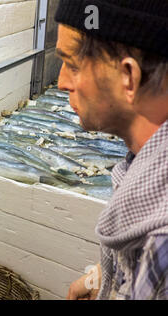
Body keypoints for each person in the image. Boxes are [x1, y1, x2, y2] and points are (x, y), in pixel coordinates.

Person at [54, 0, 168, 299]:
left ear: (128, 77)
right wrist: (99, 279)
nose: (61, 82)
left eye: (73, 65)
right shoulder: (147, 161)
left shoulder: (161, 241)